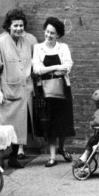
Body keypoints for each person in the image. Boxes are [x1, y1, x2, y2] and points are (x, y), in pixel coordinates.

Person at [0, 9, 38, 168]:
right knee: (2, 128)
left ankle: (14, 157)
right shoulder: (0, 42)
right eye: (15, 25)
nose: (19, 29)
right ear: (8, 26)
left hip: (23, 92)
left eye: (21, 25)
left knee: (18, 127)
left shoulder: (28, 42)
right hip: (5, 92)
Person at [32, 17, 76, 167]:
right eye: (47, 31)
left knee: (63, 122)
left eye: (52, 33)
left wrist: (50, 70)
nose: (49, 35)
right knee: (49, 123)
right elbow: (37, 69)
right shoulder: (38, 48)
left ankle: (62, 148)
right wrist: (55, 68)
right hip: (44, 90)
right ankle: (52, 156)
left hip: (63, 89)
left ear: (58, 35)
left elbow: (67, 67)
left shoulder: (63, 48)